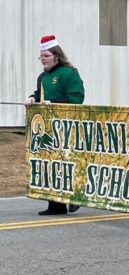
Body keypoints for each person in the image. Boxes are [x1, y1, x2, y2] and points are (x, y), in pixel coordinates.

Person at [24, 35, 85, 215]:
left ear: (56, 56)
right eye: (41, 56)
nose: (42, 58)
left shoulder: (69, 73)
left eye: (46, 55)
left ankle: (74, 195)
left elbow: (77, 97)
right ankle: (56, 205)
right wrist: (32, 98)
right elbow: (39, 94)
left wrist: (54, 102)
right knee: (50, 164)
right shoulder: (42, 77)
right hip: (48, 127)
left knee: (66, 163)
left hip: (66, 125)